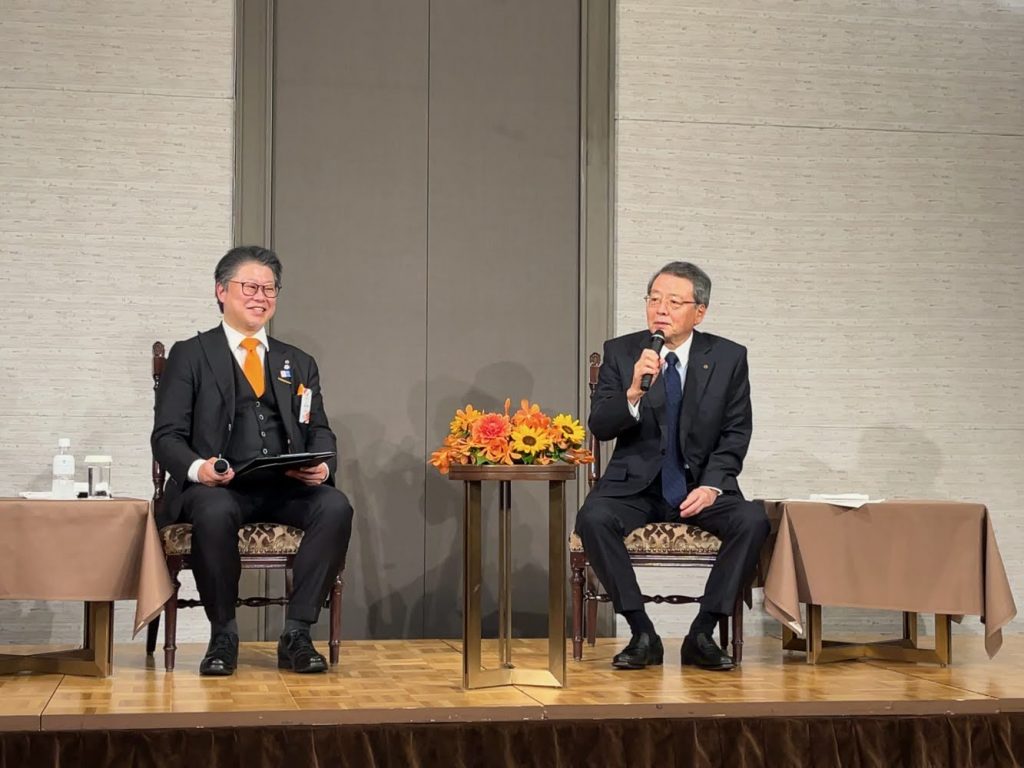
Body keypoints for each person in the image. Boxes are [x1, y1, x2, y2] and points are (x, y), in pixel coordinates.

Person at [152, 245, 353, 676]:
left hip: (283, 487)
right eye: (250, 287)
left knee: (335, 505)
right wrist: (199, 469)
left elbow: (319, 428)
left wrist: (322, 465)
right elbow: (166, 436)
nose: (260, 297)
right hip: (217, 489)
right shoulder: (191, 354)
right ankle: (223, 634)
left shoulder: (297, 361)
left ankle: (297, 633)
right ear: (221, 291)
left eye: (269, 289)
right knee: (214, 510)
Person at [575, 261, 768, 671]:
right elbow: (600, 426)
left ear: (700, 312)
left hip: (699, 488)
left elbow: (736, 431)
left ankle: (702, 632)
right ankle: (642, 631)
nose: (660, 309)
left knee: (752, 520)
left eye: (674, 302)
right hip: (636, 488)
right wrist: (632, 391)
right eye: (654, 299)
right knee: (593, 517)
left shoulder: (729, 357)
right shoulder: (621, 352)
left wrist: (713, 486)